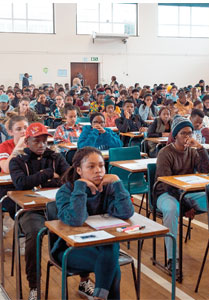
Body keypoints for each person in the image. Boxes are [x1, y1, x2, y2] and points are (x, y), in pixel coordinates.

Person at [9, 123, 90, 300]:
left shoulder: (55, 156)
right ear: (27, 142)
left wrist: (39, 181)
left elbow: (68, 179)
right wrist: (47, 174)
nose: (41, 145)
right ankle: (34, 286)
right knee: (34, 234)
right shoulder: (18, 160)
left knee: (81, 227)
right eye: (36, 141)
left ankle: (84, 280)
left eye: (44, 141)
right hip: (30, 210)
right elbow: (21, 183)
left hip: (58, 206)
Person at [56, 147, 134, 299]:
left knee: (109, 250)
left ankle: (99, 296)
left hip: (102, 248)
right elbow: (77, 219)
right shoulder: (66, 191)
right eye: (91, 167)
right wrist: (80, 186)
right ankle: (100, 297)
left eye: (101, 165)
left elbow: (126, 212)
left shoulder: (107, 188)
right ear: (79, 170)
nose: (98, 170)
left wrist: (117, 183)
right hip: (71, 250)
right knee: (112, 266)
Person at [155, 116, 209, 271]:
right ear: (175, 135)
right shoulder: (165, 153)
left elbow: (206, 171)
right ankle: (172, 258)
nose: (188, 137)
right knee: (172, 209)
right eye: (183, 133)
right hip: (165, 193)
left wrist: (200, 148)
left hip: (186, 193)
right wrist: (185, 206)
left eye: (190, 133)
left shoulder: (192, 152)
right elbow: (167, 184)